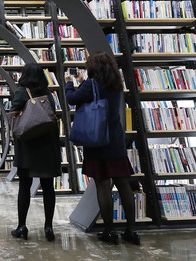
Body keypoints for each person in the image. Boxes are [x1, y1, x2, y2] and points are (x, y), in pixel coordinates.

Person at [65, 51, 140, 246]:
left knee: (102, 184)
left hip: (97, 140)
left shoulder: (92, 85)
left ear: (93, 67)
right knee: (123, 185)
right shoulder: (116, 84)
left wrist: (69, 82)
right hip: (115, 141)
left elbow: (72, 99)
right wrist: (83, 81)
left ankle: (109, 231)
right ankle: (131, 230)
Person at [10, 63, 60, 242]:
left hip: (28, 146)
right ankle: (48, 227)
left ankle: (22, 226)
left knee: (25, 186)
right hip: (48, 146)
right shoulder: (49, 95)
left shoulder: (22, 91)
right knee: (48, 187)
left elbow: (14, 112)